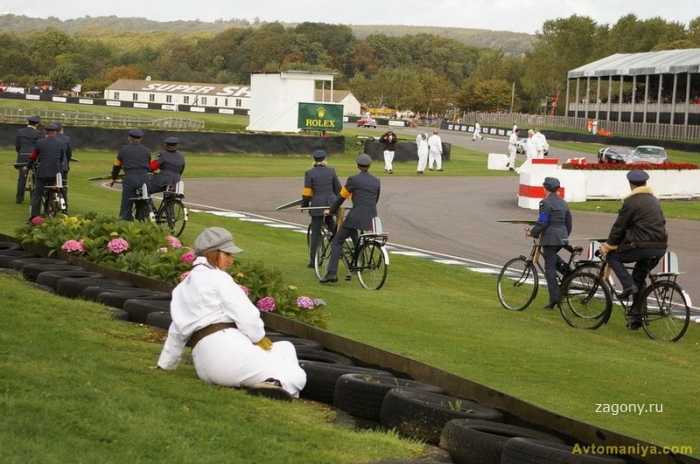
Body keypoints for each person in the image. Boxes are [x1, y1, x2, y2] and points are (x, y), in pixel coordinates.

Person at [157, 227, 306, 400]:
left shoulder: (184, 286)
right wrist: (257, 337)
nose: (231, 260)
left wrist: (165, 364)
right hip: (226, 352)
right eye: (227, 254)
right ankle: (277, 384)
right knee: (297, 374)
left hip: (204, 364)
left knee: (286, 348)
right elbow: (247, 315)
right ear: (213, 253)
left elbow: (177, 329)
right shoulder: (219, 278)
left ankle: (277, 384)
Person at [598, 170, 668, 329]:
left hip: (642, 246)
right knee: (639, 278)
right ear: (645, 184)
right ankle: (638, 317)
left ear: (630, 184)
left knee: (613, 257)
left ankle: (627, 286)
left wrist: (608, 245)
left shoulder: (632, 201)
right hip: (660, 247)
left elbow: (619, 227)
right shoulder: (654, 201)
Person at [319, 153, 380, 283]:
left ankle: (331, 273)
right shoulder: (376, 181)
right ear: (369, 166)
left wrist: (331, 211)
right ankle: (357, 260)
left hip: (356, 215)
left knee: (336, 241)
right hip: (371, 216)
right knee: (353, 232)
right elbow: (375, 200)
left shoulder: (353, 179)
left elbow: (342, 196)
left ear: (357, 165)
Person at [525, 177, 572, 309]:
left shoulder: (545, 202)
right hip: (562, 237)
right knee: (552, 258)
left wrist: (532, 233)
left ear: (545, 188)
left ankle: (555, 298)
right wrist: (564, 236)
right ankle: (568, 272)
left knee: (549, 269)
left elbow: (543, 222)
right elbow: (569, 223)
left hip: (550, 238)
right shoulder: (563, 203)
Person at [301, 149, 341, 268]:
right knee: (333, 229)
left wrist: (304, 204)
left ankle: (313, 261)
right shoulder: (331, 171)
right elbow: (338, 189)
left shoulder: (310, 173)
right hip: (331, 204)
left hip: (318, 204)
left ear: (314, 160)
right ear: (325, 160)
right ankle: (338, 252)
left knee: (316, 233)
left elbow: (307, 193)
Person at [24, 124, 66, 221]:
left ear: (44, 132)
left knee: (37, 193)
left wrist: (28, 166)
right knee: (60, 188)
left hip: (43, 171)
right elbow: (61, 158)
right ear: (55, 133)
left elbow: (33, 156)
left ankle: (34, 216)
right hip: (56, 172)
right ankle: (65, 207)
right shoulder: (60, 143)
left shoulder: (40, 142)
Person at [110, 129, 152, 220]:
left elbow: (117, 166)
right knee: (146, 198)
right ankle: (144, 215)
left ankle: (124, 222)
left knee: (126, 204)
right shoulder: (147, 150)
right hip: (144, 177)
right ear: (140, 139)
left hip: (130, 178)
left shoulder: (123, 150)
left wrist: (114, 178)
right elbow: (148, 165)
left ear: (129, 138)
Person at [14, 115, 42, 203]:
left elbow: (17, 145)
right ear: (37, 124)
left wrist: (21, 152)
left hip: (22, 155)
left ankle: (19, 199)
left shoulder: (20, 132)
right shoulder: (38, 133)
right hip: (34, 156)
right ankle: (34, 198)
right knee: (35, 177)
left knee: (22, 178)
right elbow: (40, 146)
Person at [54, 122, 72, 209]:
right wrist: (66, 162)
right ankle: (64, 206)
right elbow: (69, 153)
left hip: (51, 166)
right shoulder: (66, 139)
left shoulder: (48, 137)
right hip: (63, 166)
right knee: (63, 186)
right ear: (61, 130)